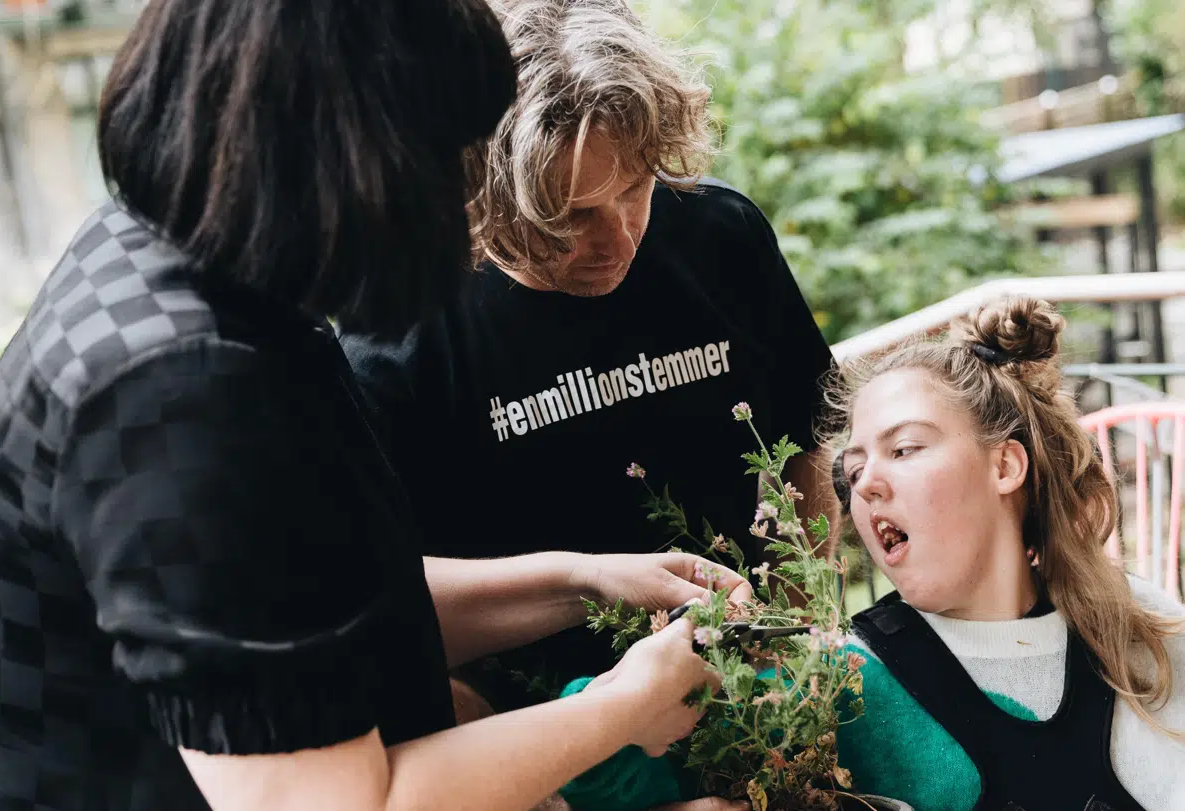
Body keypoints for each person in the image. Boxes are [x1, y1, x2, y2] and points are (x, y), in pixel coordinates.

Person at [0, 2, 748, 810]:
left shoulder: (183, 257)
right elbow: (330, 802)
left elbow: (298, 613)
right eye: (452, 155)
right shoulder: (181, 393)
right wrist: (621, 711)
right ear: (354, 155)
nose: (468, 198)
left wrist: (585, 582)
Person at [556, 296, 1185, 811]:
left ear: (1004, 466)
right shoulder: (849, 681)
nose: (868, 484)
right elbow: (587, 765)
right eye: (854, 471)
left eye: (906, 448)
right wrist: (653, 676)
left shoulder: (1141, 626)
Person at [341, 0, 840, 722]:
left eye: (635, 189)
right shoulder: (396, 333)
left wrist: (805, 650)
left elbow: (806, 445)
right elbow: (376, 600)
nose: (619, 240)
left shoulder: (722, 235)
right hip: (549, 740)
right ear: (482, 191)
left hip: (756, 700)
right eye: (571, 216)